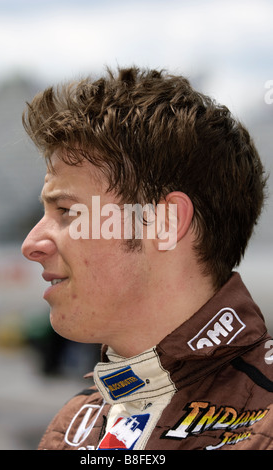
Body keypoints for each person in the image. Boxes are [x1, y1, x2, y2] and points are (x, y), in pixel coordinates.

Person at [21, 67, 273, 451]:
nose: (32, 243)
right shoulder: (75, 424)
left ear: (165, 222)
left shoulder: (264, 421)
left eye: (66, 211)